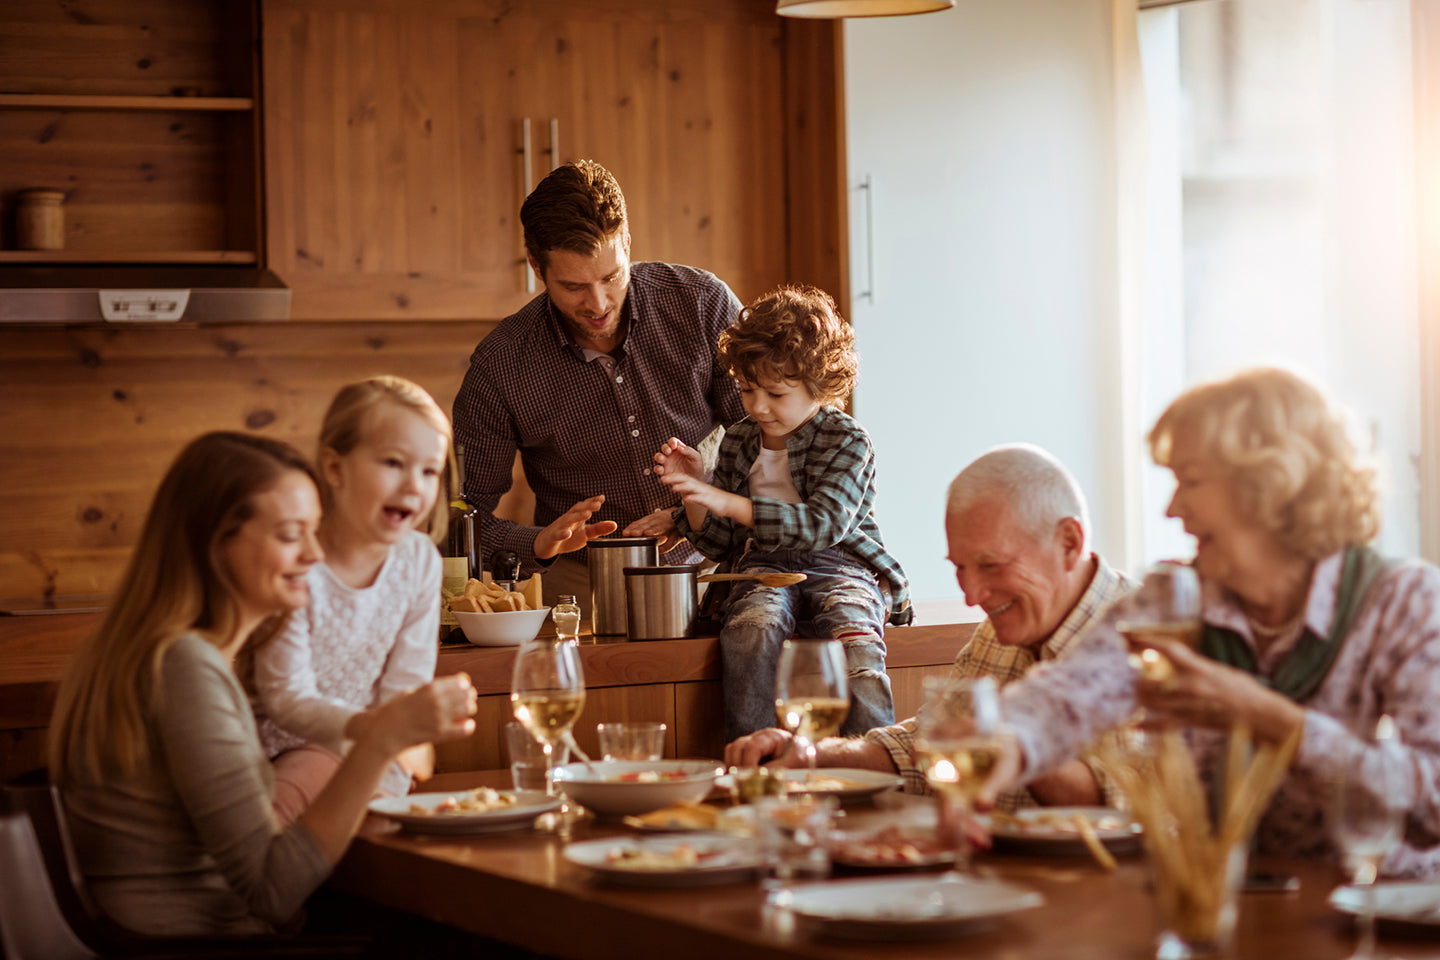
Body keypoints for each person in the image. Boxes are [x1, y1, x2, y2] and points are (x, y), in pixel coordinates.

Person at [981, 368, 1440, 876]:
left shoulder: (1405, 601)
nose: (1172, 509)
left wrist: (1271, 720)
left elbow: (1434, 803)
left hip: (1382, 919)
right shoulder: (1174, 597)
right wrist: (999, 748)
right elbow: (1069, 696)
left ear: (1272, 485)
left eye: (1192, 481)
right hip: (1223, 910)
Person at [48, 432, 476, 936]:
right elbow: (272, 891)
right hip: (188, 946)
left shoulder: (169, 653)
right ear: (216, 542)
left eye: (315, 530)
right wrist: (381, 738)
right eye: (291, 534)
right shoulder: (184, 666)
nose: (316, 555)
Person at [726, 443, 1132, 810]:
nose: (971, 596)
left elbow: (1139, 802)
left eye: (990, 565)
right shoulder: (999, 633)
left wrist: (1013, 747)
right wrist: (812, 754)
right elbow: (923, 748)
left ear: (1069, 543)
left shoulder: (1151, 643)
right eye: (960, 568)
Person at [452, 159, 745, 604]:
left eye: (612, 276)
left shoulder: (701, 304)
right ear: (536, 265)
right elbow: (463, 516)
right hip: (581, 582)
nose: (599, 303)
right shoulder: (501, 365)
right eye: (573, 286)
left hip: (718, 563)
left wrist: (697, 512)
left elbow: (776, 441)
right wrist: (538, 543)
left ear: (627, 242)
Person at [650, 284, 908, 741]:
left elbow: (822, 526)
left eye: (775, 393)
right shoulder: (740, 440)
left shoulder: (848, 440)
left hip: (840, 566)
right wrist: (692, 492)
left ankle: (875, 760)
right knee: (750, 630)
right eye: (748, 390)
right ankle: (757, 761)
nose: (757, 406)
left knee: (856, 648)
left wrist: (726, 501)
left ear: (821, 385)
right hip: (763, 565)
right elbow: (722, 543)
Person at [252, 377, 454, 822]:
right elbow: (286, 695)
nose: (414, 486)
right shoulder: (300, 560)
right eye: (394, 463)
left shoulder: (419, 560)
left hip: (376, 748)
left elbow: (407, 682)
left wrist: (389, 738)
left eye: (429, 471)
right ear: (336, 468)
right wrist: (369, 731)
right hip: (289, 750)